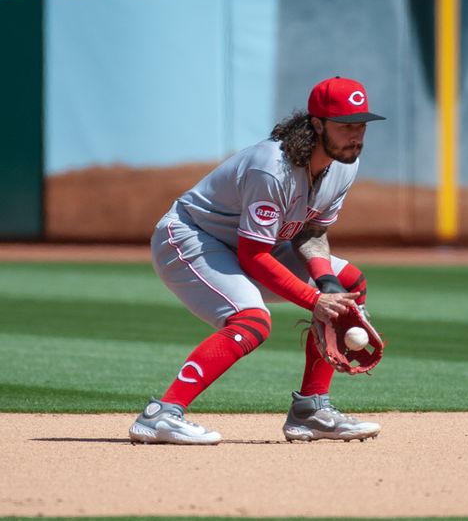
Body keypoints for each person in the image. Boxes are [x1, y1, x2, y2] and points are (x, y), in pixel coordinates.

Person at [128, 76, 386, 445]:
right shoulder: (272, 168)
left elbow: (310, 232)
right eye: (345, 126)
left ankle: (311, 410)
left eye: (361, 125)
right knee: (252, 320)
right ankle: (162, 414)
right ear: (316, 124)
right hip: (190, 238)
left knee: (347, 284)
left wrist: (327, 284)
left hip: (248, 244)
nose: (356, 136)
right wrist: (315, 300)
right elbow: (253, 256)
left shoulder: (344, 165)